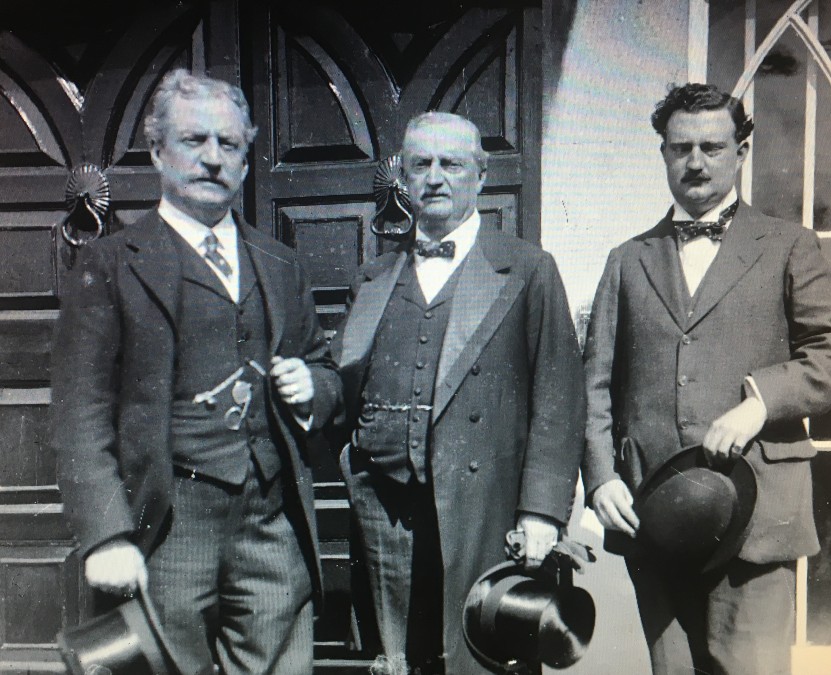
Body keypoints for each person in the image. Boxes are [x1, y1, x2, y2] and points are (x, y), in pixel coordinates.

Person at [51, 69, 341, 675]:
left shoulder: (279, 262)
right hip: (167, 526)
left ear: (246, 158)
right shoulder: (108, 264)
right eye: (194, 141)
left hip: (270, 519)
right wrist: (106, 534)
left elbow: (323, 365)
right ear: (157, 151)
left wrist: (316, 385)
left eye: (229, 145)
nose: (213, 159)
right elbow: (80, 414)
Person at [582, 83, 831, 674]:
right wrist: (601, 477)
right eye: (681, 148)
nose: (696, 162)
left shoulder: (788, 246)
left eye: (712, 146)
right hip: (653, 516)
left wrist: (759, 402)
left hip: (756, 516)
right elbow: (595, 384)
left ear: (742, 152)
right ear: (663, 154)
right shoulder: (627, 260)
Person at [331, 112, 585, 674]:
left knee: (482, 659)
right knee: (398, 661)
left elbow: (559, 398)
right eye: (421, 164)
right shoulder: (372, 278)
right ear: (404, 176)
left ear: (482, 174)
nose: (436, 177)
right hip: (388, 521)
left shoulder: (525, 269)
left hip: (482, 517)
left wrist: (542, 513)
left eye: (452, 164)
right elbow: (343, 391)